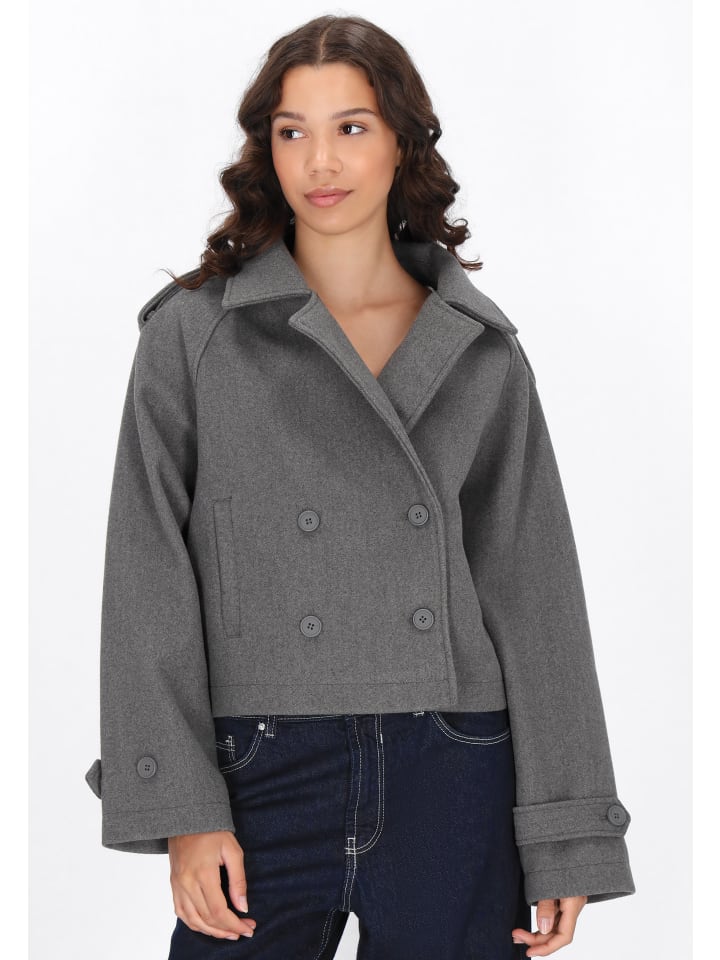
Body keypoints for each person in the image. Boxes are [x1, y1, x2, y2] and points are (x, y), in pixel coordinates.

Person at [84, 14, 635, 960]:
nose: (320, 161)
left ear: (401, 142)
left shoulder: (478, 349)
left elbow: (533, 589)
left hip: (453, 761)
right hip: (259, 766)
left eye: (351, 126)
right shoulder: (195, 334)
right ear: (265, 150)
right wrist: (182, 807)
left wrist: (566, 830)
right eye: (291, 131)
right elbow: (147, 576)